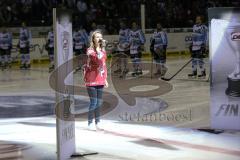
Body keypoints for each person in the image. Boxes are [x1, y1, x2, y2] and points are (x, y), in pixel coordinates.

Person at [84, 30, 108, 130]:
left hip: (100, 78)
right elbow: (97, 60)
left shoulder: (103, 51)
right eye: (97, 37)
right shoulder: (90, 50)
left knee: (99, 102)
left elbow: (103, 65)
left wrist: (105, 78)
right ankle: (90, 123)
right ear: (93, 39)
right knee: (93, 102)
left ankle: (98, 122)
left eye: (100, 37)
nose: (99, 39)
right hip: (91, 78)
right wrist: (99, 49)